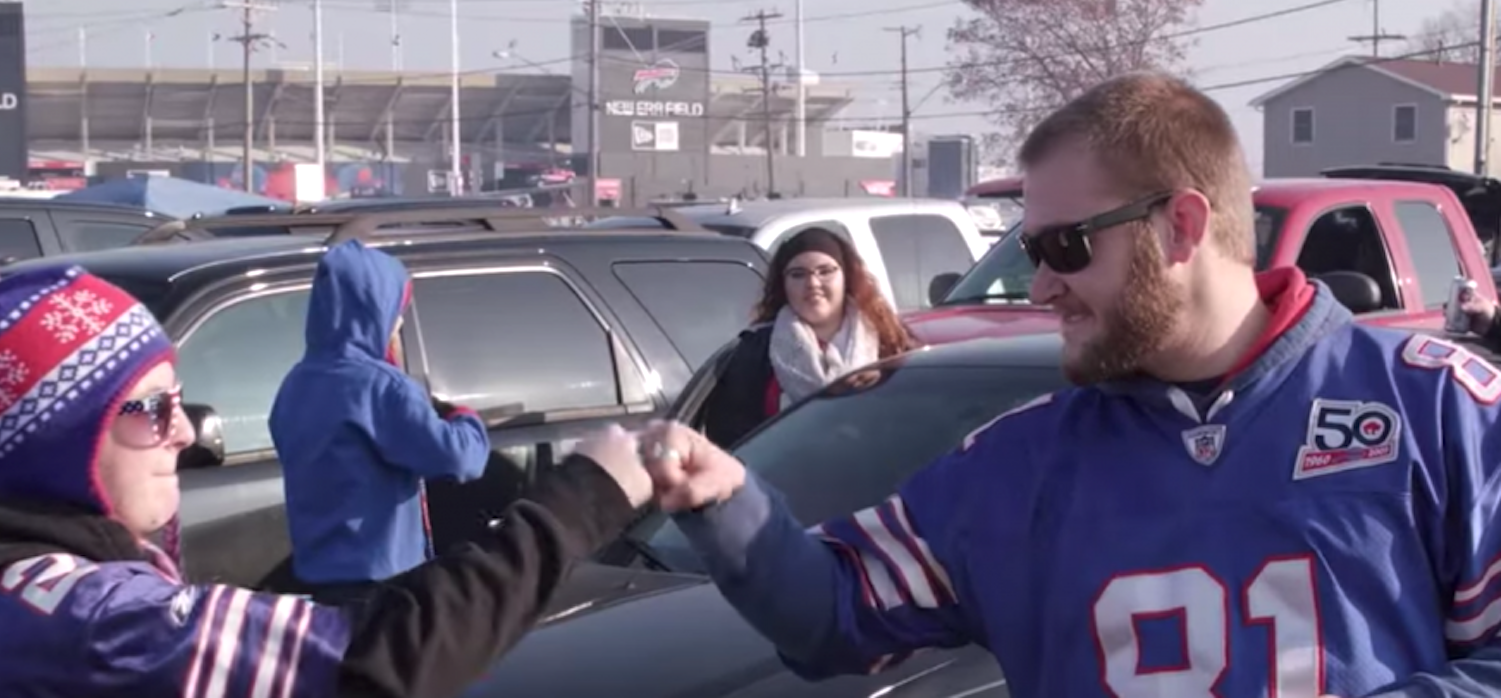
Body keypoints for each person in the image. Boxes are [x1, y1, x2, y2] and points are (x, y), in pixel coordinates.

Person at [635, 73, 1501, 697]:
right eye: (1027, 251)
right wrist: (725, 499)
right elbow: (835, 614)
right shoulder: (1018, 462)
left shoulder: (1439, 410)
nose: (1040, 286)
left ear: (1183, 225)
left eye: (1063, 247)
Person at [0, 256, 653, 697]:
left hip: (317, 563)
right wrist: (586, 490)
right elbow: (391, 649)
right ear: (58, 437)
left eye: (180, 400)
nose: (187, 429)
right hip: (385, 576)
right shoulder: (92, 615)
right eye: (151, 406)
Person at [267, 239, 489, 605]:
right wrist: (466, 418)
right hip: (383, 583)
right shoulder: (384, 388)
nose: (399, 321)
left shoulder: (296, 383)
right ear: (375, 309)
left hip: (317, 581)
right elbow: (460, 459)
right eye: (397, 309)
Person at [698, 227, 916, 448]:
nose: (812, 283)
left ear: (846, 277)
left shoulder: (890, 342)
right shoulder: (756, 349)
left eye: (825, 271)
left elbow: (921, 418)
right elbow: (730, 433)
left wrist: (885, 389)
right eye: (798, 274)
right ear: (783, 284)